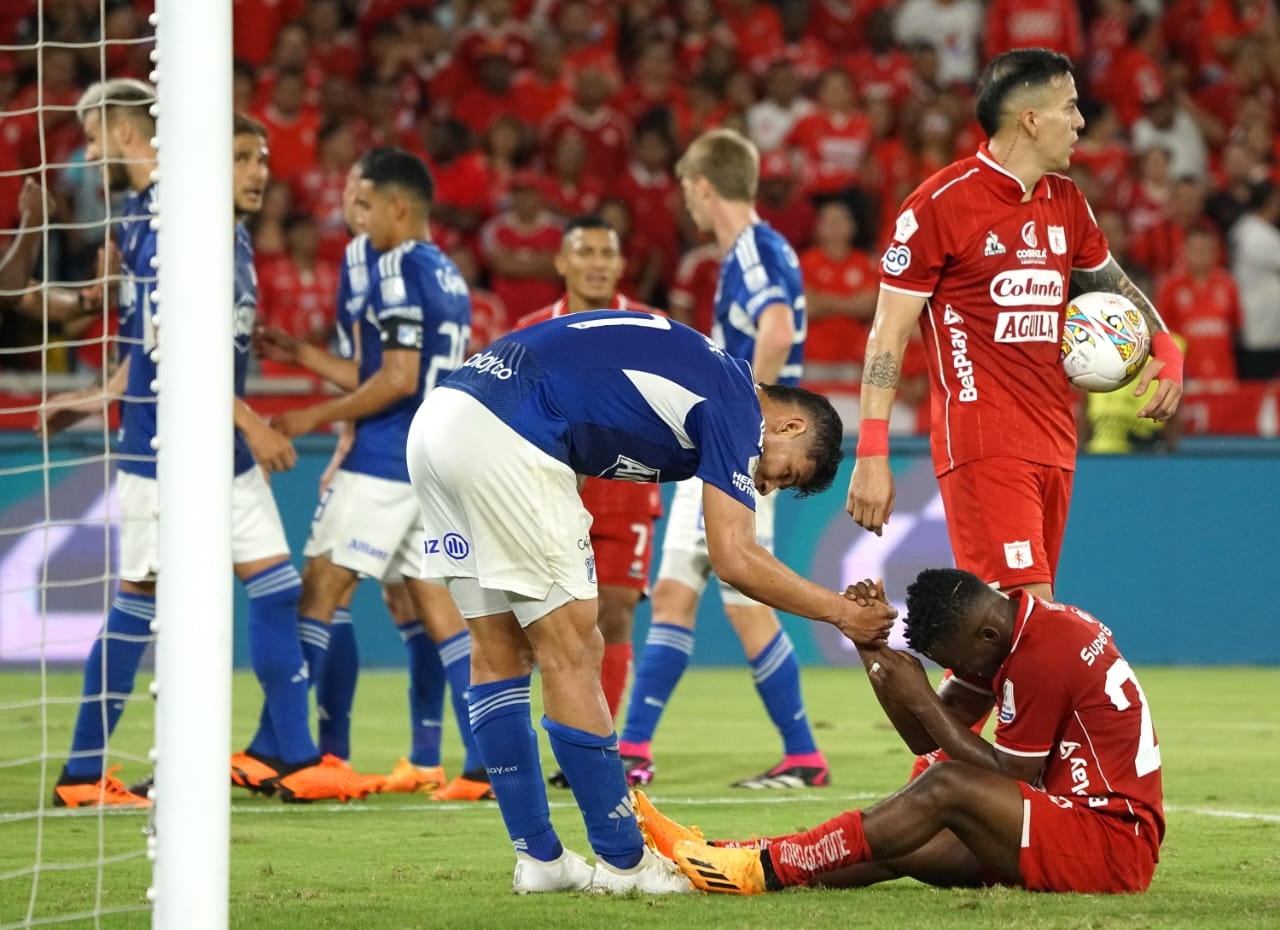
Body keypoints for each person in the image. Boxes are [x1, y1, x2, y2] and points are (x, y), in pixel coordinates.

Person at [406, 310, 896, 894]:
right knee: (574, 651)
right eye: (783, 474)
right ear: (789, 425)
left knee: (497, 652)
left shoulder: (705, 375)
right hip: (509, 433)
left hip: (442, 420)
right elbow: (735, 557)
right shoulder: (737, 404)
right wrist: (842, 612)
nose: (766, 486)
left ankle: (540, 860)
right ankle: (627, 864)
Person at [845, 48, 1184, 775]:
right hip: (983, 442)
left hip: (1055, 442)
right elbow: (887, 336)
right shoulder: (939, 204)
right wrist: (871, 451)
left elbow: (1114, 285)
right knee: (1032, 625)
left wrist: (1166, 348)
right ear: (1030, 118)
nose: (1081, 121)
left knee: (993, 652)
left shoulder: (1066, 203)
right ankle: (1027, 790)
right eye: (1070, 106)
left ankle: (931, 784)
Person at [41, 87, 379, 806]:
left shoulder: (219, 232)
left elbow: (145, 341)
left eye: (262, 158)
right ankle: (81, 773)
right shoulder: (174, 228)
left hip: (217, 448)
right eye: (241, 157)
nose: (259, 172)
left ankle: (293, 758)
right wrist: (252, 423)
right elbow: (176, 347)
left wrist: (101, 394)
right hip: (166, 450)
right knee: (140, 598)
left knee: (277, 589)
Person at [640, 568, 1164, 896]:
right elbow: (927, 736)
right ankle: (717, 856)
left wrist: (920, 694)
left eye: (956, 662)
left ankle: (766, 867)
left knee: (945, 784)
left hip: (1111, 842)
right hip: (1063, 823)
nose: (958, 671)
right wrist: (872, 651)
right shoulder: (1012, 632)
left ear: (984, 635)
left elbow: (1011, 773)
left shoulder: (1042, 656)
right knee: (903, 839)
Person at [257, 148, 484, 801]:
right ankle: (482, 766)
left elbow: (397, 379)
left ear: (397, 206)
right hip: (431, 458)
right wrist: (305, 356)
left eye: (363, 203)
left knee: (320, 590)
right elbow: (388, 372)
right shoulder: (446, 272)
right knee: (436, 606)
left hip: (385, 456)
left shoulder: (394, 267)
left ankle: (292, 752)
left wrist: (313, 416)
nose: (351, 215)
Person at [618, 127, 827, 791]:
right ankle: (632, 748)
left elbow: (777, 329)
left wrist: (745, 415)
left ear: (703, 185)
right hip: (724, 444)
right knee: (679, 589)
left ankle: (802, 755)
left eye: (687, 188)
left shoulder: (753, 250)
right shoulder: (757, 250)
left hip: (738, 446)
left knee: (741, 598)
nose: (686, 202)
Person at [513, 215, 662, 790]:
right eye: (585, 252)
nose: (597, 263)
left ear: (620, 264)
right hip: (549, 491)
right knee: (550, 623)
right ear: (562, 262)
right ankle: (568, 739)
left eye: (606, 252)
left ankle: (605, 745)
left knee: (616, 611)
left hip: (625, 487)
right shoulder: (530, 331)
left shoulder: (648, 328)